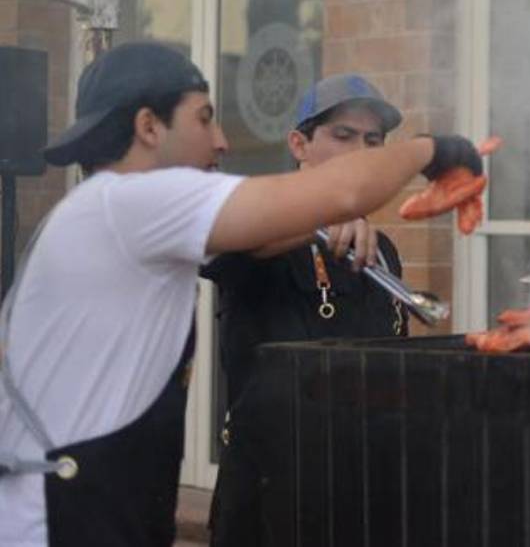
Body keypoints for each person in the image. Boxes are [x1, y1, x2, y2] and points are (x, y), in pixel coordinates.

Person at [0, 42, 481, 547]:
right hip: (57, 520)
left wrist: (330, 221)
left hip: (99, 510)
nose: (223, 141)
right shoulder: (131, 202)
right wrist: (435, 151)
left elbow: (283, 230)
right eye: (204, 119)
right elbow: (341, 193)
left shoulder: (117, 211)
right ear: (149, 127)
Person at [201, 73, 411, 546]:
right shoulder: (259, 232)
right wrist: (322, 215)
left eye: (373, 140)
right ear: (299, 144)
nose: (361, 151)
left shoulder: (383, 252)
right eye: (343, 135)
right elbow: (223, 246)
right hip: (269, 491)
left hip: (361, 487)